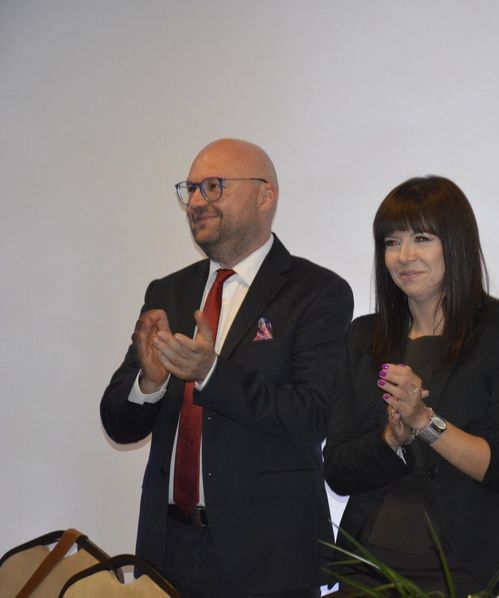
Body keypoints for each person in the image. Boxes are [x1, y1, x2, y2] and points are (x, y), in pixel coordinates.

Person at [100, 139, 353, 598]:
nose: (197, 202)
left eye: (214, 187)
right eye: (191, 189)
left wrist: (211, 374)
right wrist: (149, 383)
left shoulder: (317, 292)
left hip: (270, 557)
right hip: (168, 550)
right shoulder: (168, 292)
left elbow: (312, 415)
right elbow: (119, 424)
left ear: (265, 195)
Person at [323, 176, 499, 595]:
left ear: (456, 243)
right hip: (370, 564)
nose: (404, 256)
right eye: (391, 242)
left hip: (469, 567)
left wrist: (424, 422)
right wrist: (392, 437)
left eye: (421, 239)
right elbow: (338, 469)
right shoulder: (362, 337)